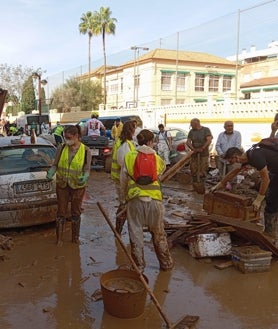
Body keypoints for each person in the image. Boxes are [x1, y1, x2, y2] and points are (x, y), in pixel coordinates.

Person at [119, 129, 174, 272]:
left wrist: (123, 200)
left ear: (138, 141)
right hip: (155, 201)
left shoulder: (129, 156)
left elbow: (123, 181)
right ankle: (166, 263)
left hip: (135, 200)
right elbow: (159, 179)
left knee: (136, 233)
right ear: (151, 142)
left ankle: (139, 266)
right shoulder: (158, 159)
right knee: (158, 232)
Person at [210, 145, 278, 246]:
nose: (232, 163)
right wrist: (220, 184)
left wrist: (259, 199)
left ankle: (270, 234)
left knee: (271, 201)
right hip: (275, 170)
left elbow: (265, 180)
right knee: (271, 198)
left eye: (231, 161)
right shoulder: (248, 155)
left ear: (235, 157)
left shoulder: (255, 157)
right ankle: (271, 228)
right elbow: (234, 172)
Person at [46, 125, 92, 245]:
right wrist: (51, 171)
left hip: (78, 186)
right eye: (65, 137)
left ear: (76, 136)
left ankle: (75, 239)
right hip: (62, 184)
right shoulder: (61, 148)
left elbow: (87, 169)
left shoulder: (86, 150)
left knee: (76, 212)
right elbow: (55, 164)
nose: (66, 140)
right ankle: (59, 239)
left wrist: (85, 176)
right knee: (61, 212)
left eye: (69, 137)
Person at [111, 121, 136, 234]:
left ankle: (119, 231)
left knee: (126, 205)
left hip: (122, 177)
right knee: (124, 205)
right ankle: (118, 230)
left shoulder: (125, 142)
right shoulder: (125, 144)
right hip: (122, 179)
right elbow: (124, 163)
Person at [186, 118, 213, 191]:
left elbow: (209, 140)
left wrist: (203, 148)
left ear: (196, 124)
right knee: (193, 169)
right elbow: (188, 141)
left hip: (204, 154)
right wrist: (193, 149)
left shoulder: (206, 130)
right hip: (194, 154)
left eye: (192, 125)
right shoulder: (191, 131)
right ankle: (195, 185)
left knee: (203, 169)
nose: (191, 126)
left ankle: (201, 186)